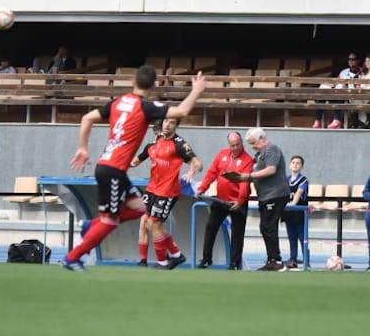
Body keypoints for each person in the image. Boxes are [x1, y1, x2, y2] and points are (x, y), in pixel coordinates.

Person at [61, 66, 207, 270]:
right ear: (154, 86)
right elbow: (182, 111)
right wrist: (196, 90)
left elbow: (87, 118)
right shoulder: (146, 107)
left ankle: (90, 226)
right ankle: (72, 258)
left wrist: (83, 148)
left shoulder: (117, 102)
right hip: (113, 169)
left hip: (111, 168)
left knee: (142, 209)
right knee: (109, 221)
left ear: (132, 81)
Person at [130, 115, 200, 269]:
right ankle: (176, 255)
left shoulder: (180, 144)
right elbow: (137, 160)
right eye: (166, 121)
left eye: (172, 123)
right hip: (152, 189)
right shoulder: (155, 142)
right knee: (147, 222)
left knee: (154, 223)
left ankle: (163, 261)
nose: (167, 125)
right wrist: (121, 163)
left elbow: (197, 163)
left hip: (168, 191)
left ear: (176, 126)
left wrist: (191, 171)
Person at [224, 128, 289, 271]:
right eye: (250, 143)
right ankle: (273, 259)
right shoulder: (259, 154)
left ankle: (276, 260)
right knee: (266, 227)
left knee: (268, 227)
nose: (252, 146)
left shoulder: (271, 149)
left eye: (253, 143)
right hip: (266, 195)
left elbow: (271, 169)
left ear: (261, 138)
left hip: (275, 194)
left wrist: (248, 176)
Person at [196, 131, 252, 269]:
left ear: (242, 143)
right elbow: (212, 172)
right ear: (229, 144)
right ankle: (206, 259)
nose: (235, 148)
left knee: (237, 232)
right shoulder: (222, 154)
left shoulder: (248, 160)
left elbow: (244, 183)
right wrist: (202, 188)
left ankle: (234, 263)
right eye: (232, 145)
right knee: (211, 227)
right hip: (221, 200)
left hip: (238, 202)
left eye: (238, 144)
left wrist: (240, 200)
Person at [284, 155, 309, 269]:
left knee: (302, 237)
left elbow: (299, 192)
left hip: (300, 213)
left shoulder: (304, 180)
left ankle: (306, 261)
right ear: (290, 165)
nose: (295, 165)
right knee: (292, 237)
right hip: (289, 213)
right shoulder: (286, 180)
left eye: (298, 163)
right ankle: (292, 259)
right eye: (293, 162)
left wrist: (293, 203)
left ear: (302, 166)